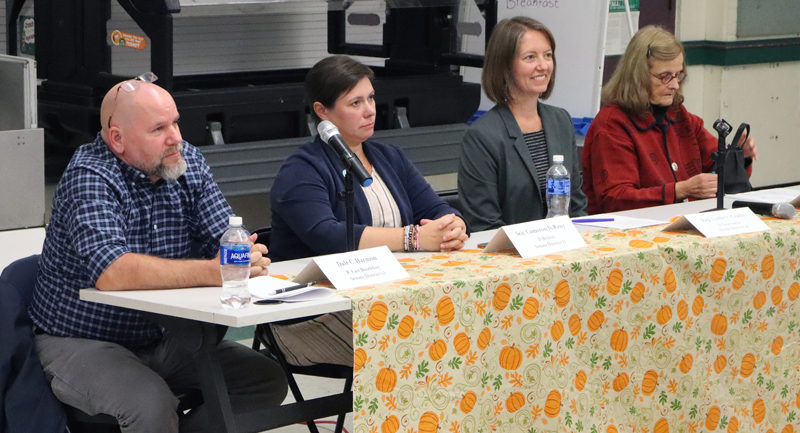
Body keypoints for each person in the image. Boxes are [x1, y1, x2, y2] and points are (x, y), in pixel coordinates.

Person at [28, 74, 288, 433]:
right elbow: (113, 272)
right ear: (117, 139)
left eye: (176, 122)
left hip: (164, 337)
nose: (176, 138)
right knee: (149, 406)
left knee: (264, 380)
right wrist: (214, 271)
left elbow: (224, 241)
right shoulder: (90, 175)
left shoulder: (187, 162)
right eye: (158, 129)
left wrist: (245, 256)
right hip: (84, 339)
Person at [268, 55, 468, 366]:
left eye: (371, 98)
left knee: (464, 324)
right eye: (355, 103)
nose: (370, 110)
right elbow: (330, 236)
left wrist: (452, 226)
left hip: (387, 300)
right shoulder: (301, 169)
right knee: (428, 343)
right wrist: (414, 237)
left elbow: (438, 207)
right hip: (315, 315)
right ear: (322, 112)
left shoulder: (390, 157)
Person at [581, 25, 757, 213]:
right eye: (665, 76)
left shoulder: (680, 116)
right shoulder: (612, 125)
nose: (674, 85)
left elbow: (719, 174)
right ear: (637, 76)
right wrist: (681, 190)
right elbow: (615, 199)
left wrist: (739, 158)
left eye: (678, 75)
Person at [457, 16, 587, 231]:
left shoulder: (561, 120)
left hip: (566, 249)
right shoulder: (482, 136)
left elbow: (576, 202)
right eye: (530, 57)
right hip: (511, 257)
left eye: (547, 55)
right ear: (505, 66)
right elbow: (483, 222)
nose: (543, 66)